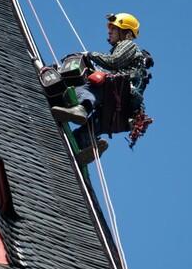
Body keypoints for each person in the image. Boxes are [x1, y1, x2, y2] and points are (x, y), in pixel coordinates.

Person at [52, 12, 145, 164]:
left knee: (93, 84)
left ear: (126, 33)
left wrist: (89, 55)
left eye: (114, 28)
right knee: (96, 124)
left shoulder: (128, 45)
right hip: (123, 110)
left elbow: (113, 61)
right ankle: (84, 148)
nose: (109, 31)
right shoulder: (130, 54)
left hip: (120, 91)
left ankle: (82, 108)